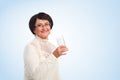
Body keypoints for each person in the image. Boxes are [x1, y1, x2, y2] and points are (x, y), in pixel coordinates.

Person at [24, 12, 68, 80]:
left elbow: (54, 74)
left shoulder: (52, 47)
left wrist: (54, 55)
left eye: (46, 24)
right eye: (39, 25)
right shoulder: (30, 47)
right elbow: (35, 76)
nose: (44, 28)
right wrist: (54, 55)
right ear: (34, 30)